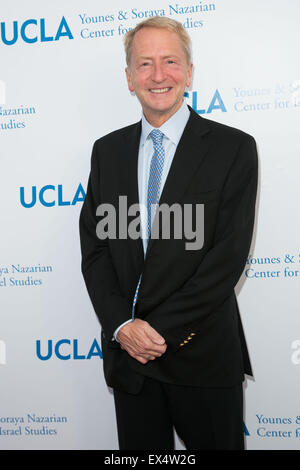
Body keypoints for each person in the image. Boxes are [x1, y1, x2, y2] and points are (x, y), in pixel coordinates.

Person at [79, 16, 258, 450]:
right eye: (144, 64)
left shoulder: (234, 148)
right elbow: (96, 249)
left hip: (202, 356)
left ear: (190, 71)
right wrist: (123, 326)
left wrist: (154, 331)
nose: (158, 76)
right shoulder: (108, 151)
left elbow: (226, 258)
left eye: (170, 61)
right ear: (129, 78)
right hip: (130, 363)